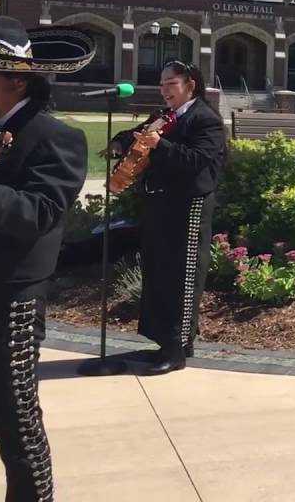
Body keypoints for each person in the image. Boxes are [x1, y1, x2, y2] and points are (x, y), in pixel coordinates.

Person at [0, 15, 94, 501]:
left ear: (19, 79)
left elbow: (43, 213)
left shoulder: (55, 137)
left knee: (18, 432)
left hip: (6, 304)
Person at [108, 59, 225, 376]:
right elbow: (136, 134)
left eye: (171, 84)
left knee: (182, 277)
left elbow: (198, 161)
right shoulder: (165, 117)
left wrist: (161, 145)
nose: (164, 91)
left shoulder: (206, 120)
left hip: (189, 206)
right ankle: (164, 342)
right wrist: (119, 143)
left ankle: (177, 350)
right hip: (160, 205)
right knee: (158, 273)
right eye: (161, 85)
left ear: (191, 86)